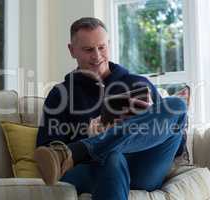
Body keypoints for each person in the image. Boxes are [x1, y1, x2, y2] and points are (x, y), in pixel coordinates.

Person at [34, 17, 187, 200]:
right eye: (88, 49)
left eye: (102, 47)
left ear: (109, 44)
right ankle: (88, 148)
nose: (97, 56)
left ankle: (81, 149)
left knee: (177, 106)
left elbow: (177, 148)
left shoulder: (139, 84)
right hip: (93, 169)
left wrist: (150, 121)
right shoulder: (60, 94)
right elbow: (47, 152)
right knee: (113, 156)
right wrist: (89, 134)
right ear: (72, 50)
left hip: (142, 167)